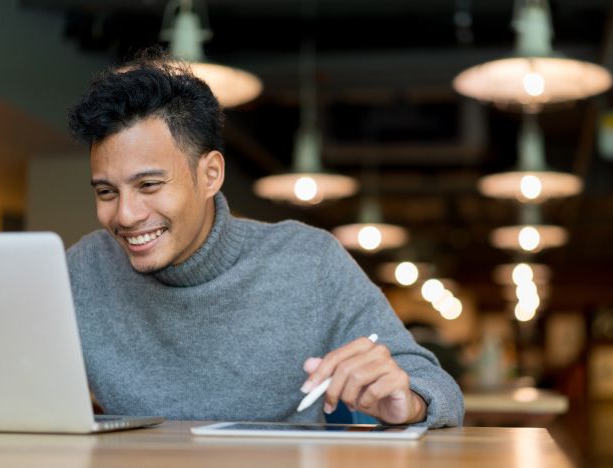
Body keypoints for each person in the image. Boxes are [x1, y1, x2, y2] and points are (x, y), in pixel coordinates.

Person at [65, 55, 463, 428]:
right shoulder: (82, 270)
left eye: (149, 185)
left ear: (210, 175)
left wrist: (409, 401)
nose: (125, 215)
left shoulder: (309, 260)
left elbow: (439, 387)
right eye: (106, 192)